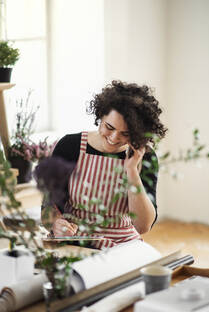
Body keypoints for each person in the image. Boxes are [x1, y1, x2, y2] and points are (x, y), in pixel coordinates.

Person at [41, 80, 167, 249]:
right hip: (76, 241)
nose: (114, 138)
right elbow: (47, 208)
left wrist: (131, 170)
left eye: (125, 133)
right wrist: (56, 223)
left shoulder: (145, 157)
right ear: (100, 115)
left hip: (122, 245)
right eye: (109, 127)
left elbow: (143, 226)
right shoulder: (70, 146)